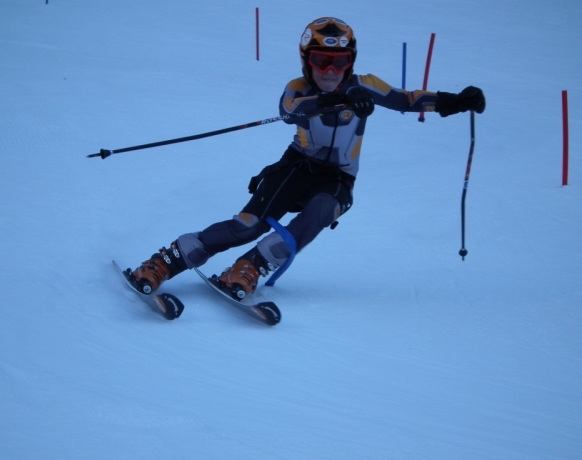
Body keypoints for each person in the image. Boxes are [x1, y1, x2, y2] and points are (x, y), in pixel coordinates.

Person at [129, 17, 486, 300]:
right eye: (321, 61)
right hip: (297, 166)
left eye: (340, 62)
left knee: (321, 211)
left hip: (339, 178)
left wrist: (455, 101)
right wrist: (336, 100)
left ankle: (248, 267)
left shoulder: (365, 85)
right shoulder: (298, 88)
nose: (330, 70)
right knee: (248, 225)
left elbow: (406, 99)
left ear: (351, 62)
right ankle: (165, 261)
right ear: (306, 61)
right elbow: (290, 111)